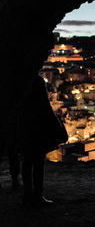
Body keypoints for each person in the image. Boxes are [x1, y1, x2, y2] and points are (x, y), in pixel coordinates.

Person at [16, 70, 67, 207]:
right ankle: (37, 196)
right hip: (38, 128)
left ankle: (27, 195)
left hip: (24, 126)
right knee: (38, 161)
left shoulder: (20, 82)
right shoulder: (37, 82)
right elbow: (44, 106)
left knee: (27, 161)